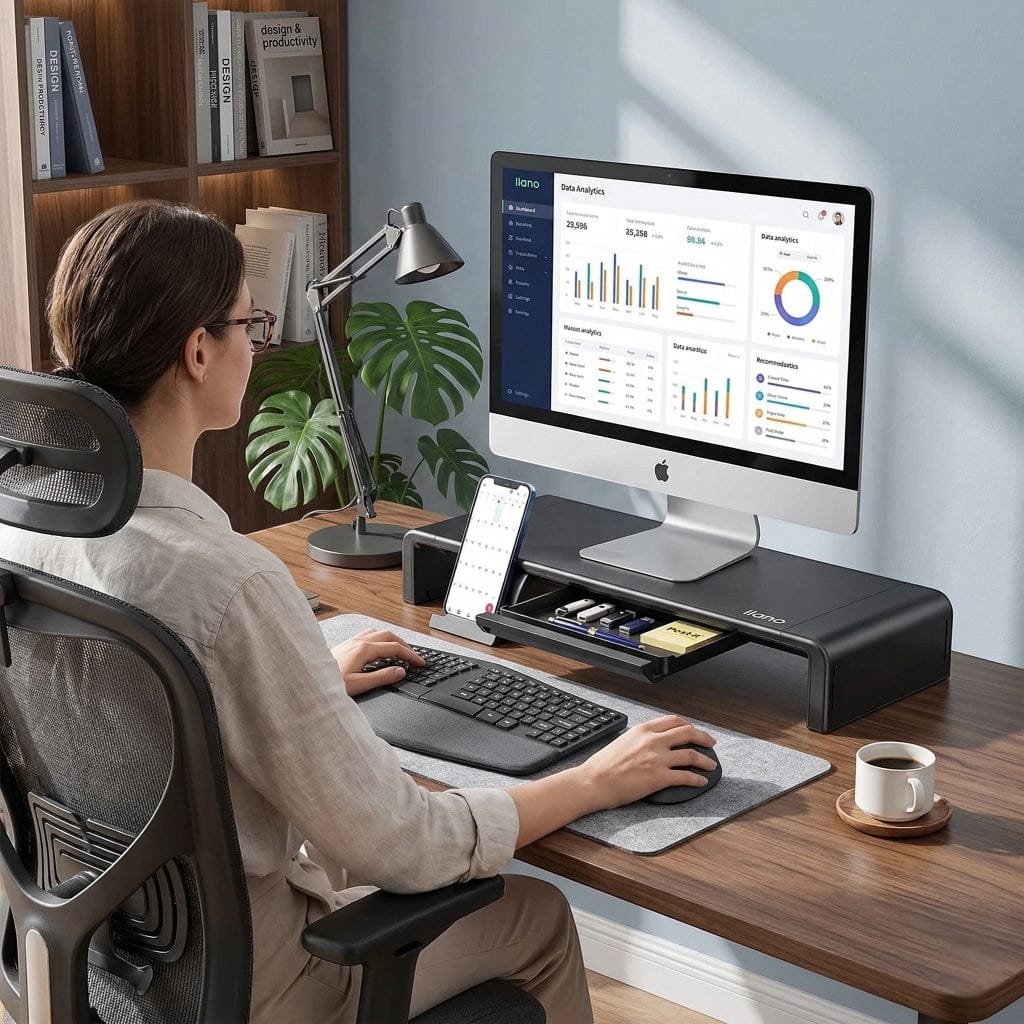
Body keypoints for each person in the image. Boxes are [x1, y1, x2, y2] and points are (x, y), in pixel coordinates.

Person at [5, 200, 718, 1023]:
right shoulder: (225, 582)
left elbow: (121, 712)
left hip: (102, 962)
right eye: (250, 324)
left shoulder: (19, 531)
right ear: (199, 351)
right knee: (537, 916)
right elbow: (405, 843)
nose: (257, 343)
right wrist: (592, 782)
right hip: (253, 990)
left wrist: (302, 684)